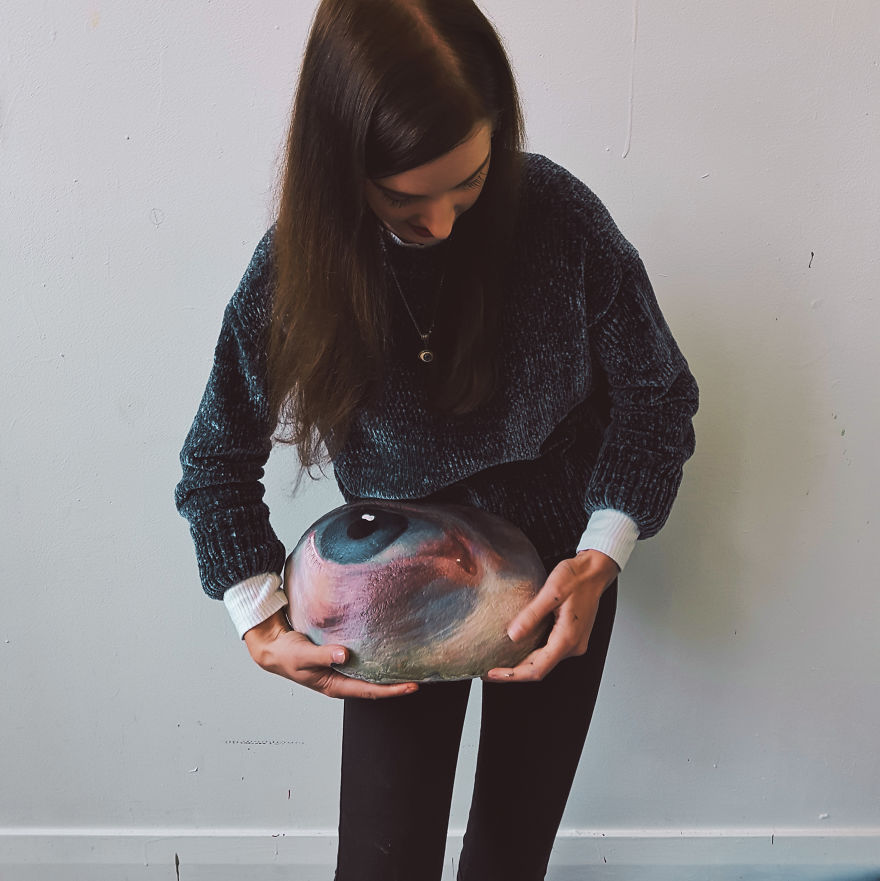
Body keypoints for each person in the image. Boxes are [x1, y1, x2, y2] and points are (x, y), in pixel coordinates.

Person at [174, 0, 699, 878]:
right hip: (388, 588)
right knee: (382, 862)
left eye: (471, 181)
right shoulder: (298, 266)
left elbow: (657, 398)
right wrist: (257, 617)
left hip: (554, 571)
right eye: (408, 198)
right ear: (344, 170)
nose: (447, 222)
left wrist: (602, 554)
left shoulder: (562, 221)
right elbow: (213, 463)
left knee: (510, 855)